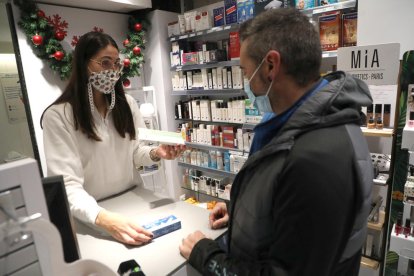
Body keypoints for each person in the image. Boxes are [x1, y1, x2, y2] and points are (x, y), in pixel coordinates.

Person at [180, 8, 373, 276]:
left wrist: (206, 254)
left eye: (246, 73)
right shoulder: (301, 123)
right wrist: (240, 210)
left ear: (271, 66)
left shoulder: (313, 159)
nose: (247, 84)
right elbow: (287, 213)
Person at [42, 31, 184, 245]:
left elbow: (136, 153)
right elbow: (67, 185)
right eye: (104, 63)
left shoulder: (127, 104)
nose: (112, 71)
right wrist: (103, 219)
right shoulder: (59, 116)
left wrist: (157, 153)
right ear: (84, 64)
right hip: (92, 216)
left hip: (134, 201)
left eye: (116, 63)